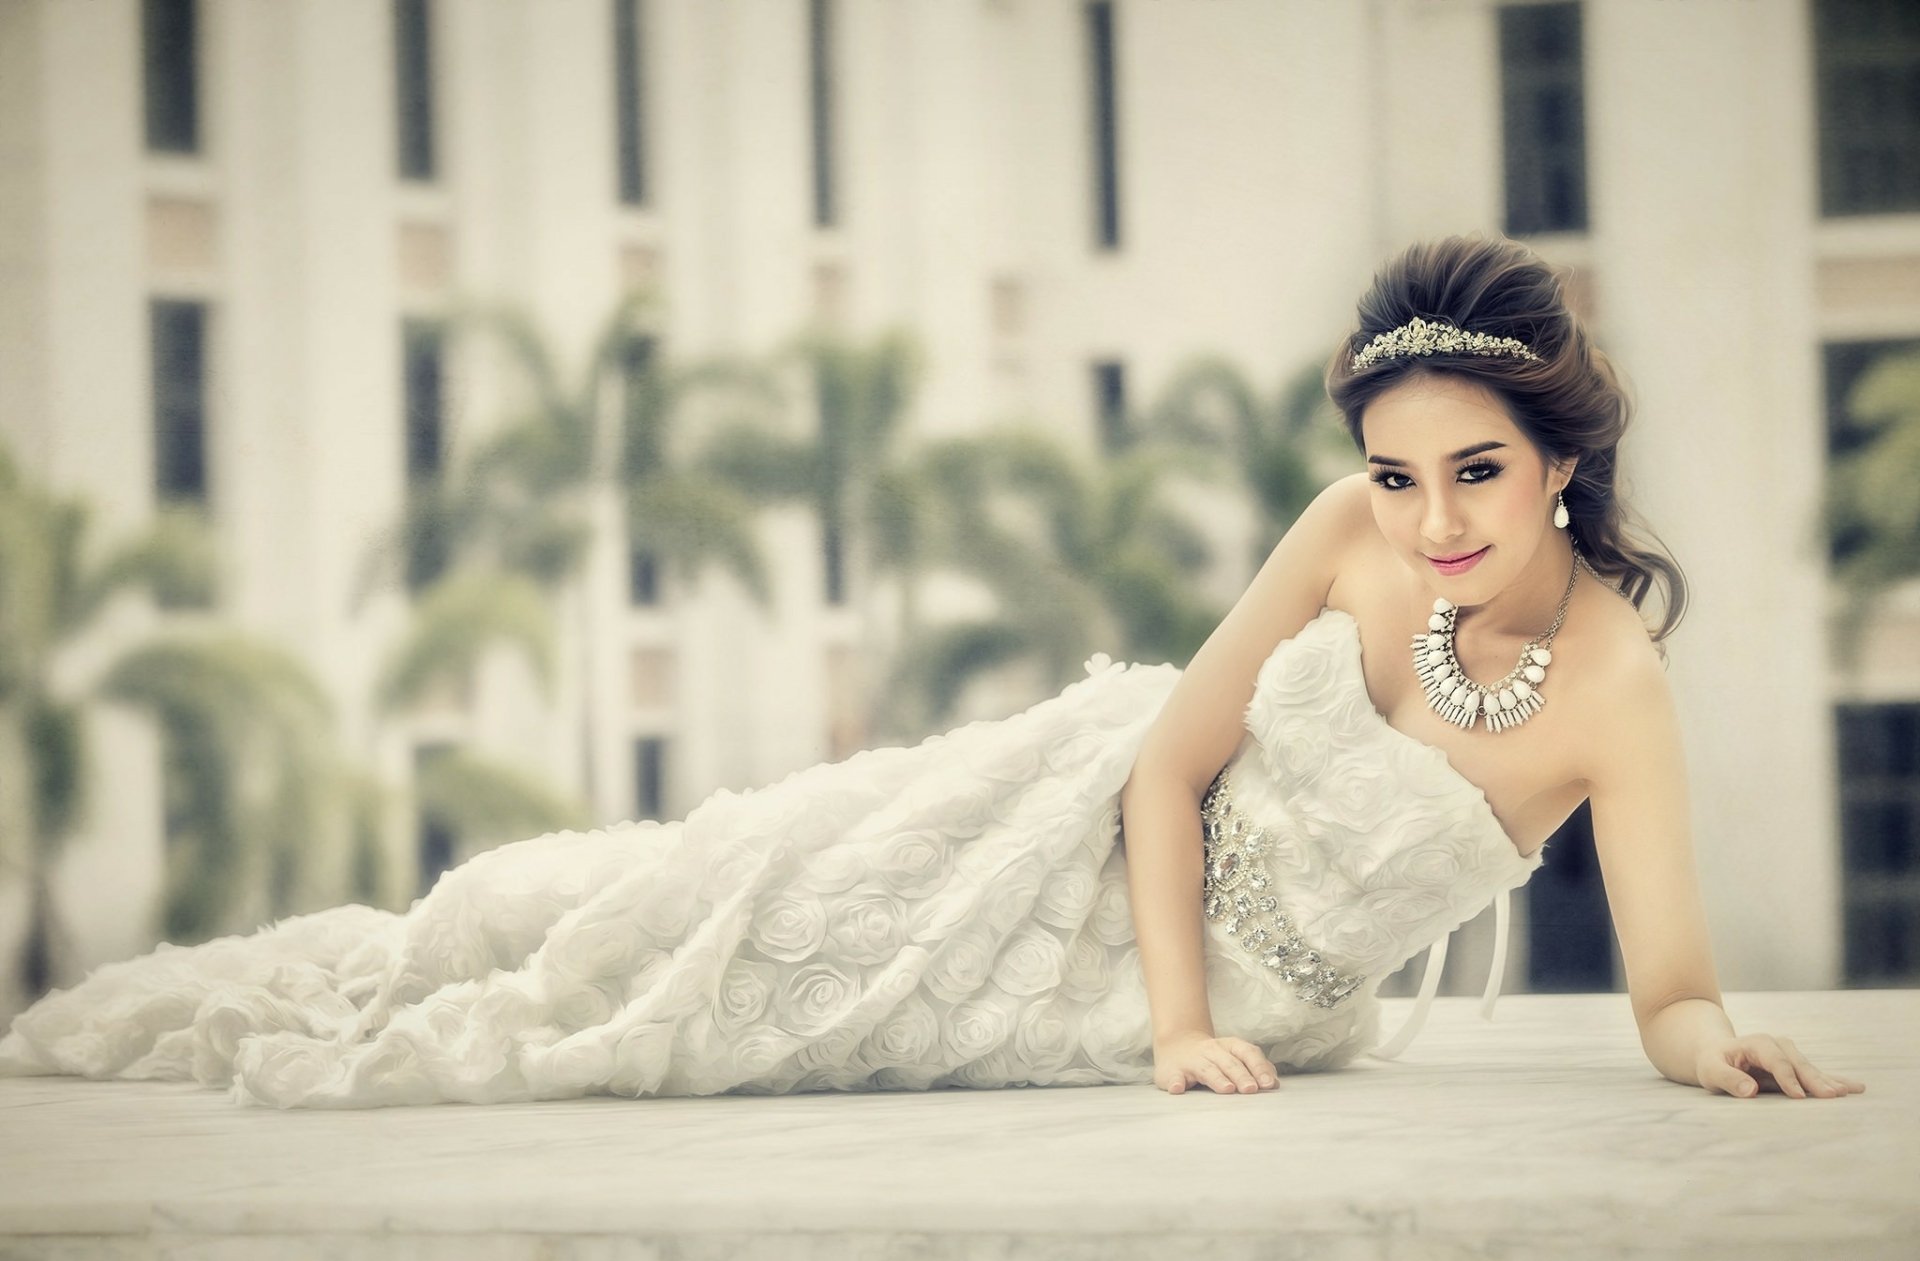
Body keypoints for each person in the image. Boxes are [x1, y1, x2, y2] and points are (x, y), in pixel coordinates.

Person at [0, 235, 1864, 1109]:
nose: (1432, 519)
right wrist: (1168, 1024)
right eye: (1397, 472)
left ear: (1558, 461)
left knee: (697, 1037)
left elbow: (1671, 991)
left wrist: (1724, 1053)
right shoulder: (1347, 532)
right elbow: (1161, 765)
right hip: (1037, 828)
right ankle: (343, 967)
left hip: (1202, 1016)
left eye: (1476, 471)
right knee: (627, 908)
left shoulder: (1616, 687)